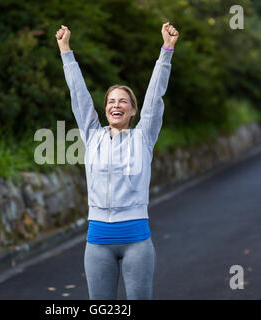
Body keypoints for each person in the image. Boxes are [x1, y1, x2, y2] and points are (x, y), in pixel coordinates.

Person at [56, 22, 179, 300]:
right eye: (111, 101)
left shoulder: (143, 137)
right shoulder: (93, 136)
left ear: (133, 110)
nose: (116, 105)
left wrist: (167, 50)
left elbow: (155, 95)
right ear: (105, 108)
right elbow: (79, 97)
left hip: (137, 241)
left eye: (123, 101)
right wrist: (65, 51)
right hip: (98, 243)